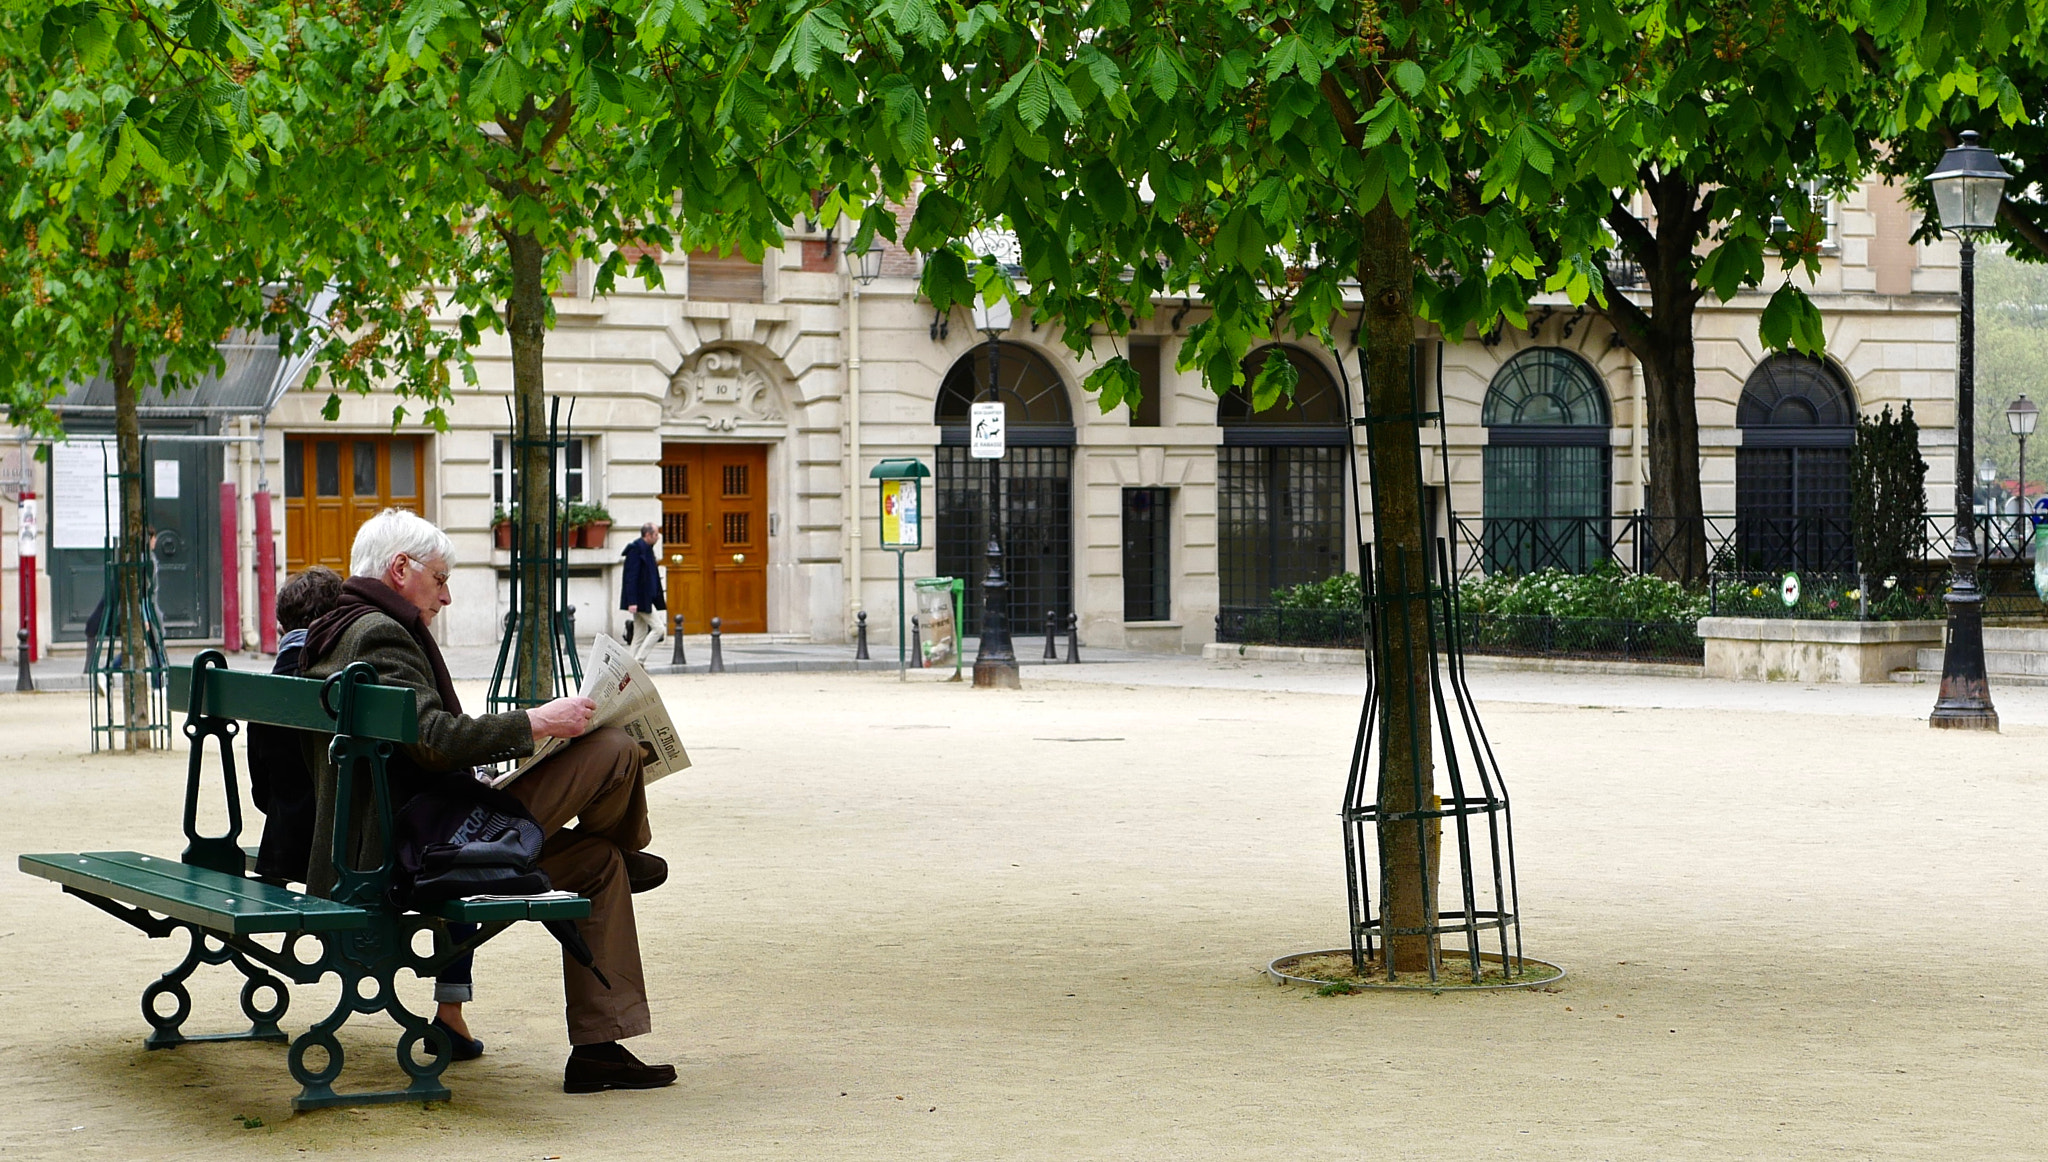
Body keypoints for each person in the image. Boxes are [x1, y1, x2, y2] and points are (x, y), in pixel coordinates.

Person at [299, 508, 675, 1094]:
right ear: (401, 569)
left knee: (596, 866)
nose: (446, 597)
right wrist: (535, 721)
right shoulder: (378, 632)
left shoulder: (335, 627)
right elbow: (434, 741)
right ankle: (626, 846)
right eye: (441, 579)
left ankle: (600, 1048)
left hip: (391, 835)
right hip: (421, 849)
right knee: (614, 748)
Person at [620, 522, 666, 662]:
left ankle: (629, 665)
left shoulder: (646, 549)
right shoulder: (636, 550)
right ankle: (639, 660)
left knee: (639, 634)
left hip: (645, 597)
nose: (658, 538)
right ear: (648, 535)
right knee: (658, 629)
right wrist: (632, 601)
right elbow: (631, 577)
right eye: (656, 535)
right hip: (640, 599)